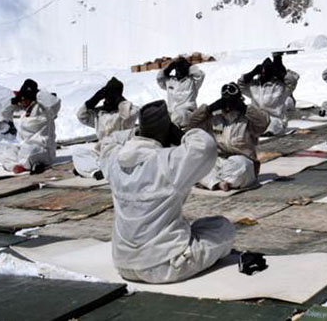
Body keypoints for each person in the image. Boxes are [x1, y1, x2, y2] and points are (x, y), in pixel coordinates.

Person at [101, 100, 235, 284]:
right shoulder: (167, 162)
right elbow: (205, 146)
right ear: (167, 131)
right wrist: (178, 133)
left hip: (123, 263)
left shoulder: (115, 161)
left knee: (193, 225)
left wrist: (143, 130)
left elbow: (109, 141)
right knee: (222, 227)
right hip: (165, 265)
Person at [187, 83, 270, 191]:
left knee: (240, 166)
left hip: (242, 160)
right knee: (197, 163)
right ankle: (219, 183)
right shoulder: (216, 118)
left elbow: (264, 122)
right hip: (220, 159)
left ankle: (214, 181)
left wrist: (244, 108)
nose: (228, 106)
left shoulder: (247, 119)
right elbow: (191, 123)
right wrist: (208, 109)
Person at [73, 77, 139, 179]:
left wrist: (120, 100)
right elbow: (81, 116)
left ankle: (90, 168)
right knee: (78, 153)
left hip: (120, 151)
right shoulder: (99, 113)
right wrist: (94, 99)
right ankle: (96, 171)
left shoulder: (124, 113)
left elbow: (133, 113)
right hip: (102, 152)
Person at [0, 78, 61, 174]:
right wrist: (13, 102)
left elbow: (55, 103)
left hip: (42, 149)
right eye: (21, 98)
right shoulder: (18, 110)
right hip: (22, 148)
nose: (23, 101)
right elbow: (3, 113)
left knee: (29, 151)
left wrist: (37, 94)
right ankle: (21, 165)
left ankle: (16, 164)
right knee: (0, 148)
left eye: (26, 98)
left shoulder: (43, 109)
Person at [238, 55, 299, 136]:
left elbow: (292, 81)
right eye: (262, 70)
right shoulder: (253, 86)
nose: (264, 73)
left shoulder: (279, 86)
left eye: (267, 71)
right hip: (258, 119)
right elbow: (240, 84)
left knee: (272, 126)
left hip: (275, 120)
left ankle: (266, 133)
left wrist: (279, 73)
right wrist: (252, 73)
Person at [156, 56, 205, 128]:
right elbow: (159, 79)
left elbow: (201, 75)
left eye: (182, 67)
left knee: (178, 115)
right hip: (172, 114)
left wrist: (190, 67)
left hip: (187, 113)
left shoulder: (192, 81)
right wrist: (168, 68)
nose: (179, 71)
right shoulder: (170, 81)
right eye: (178, 68)